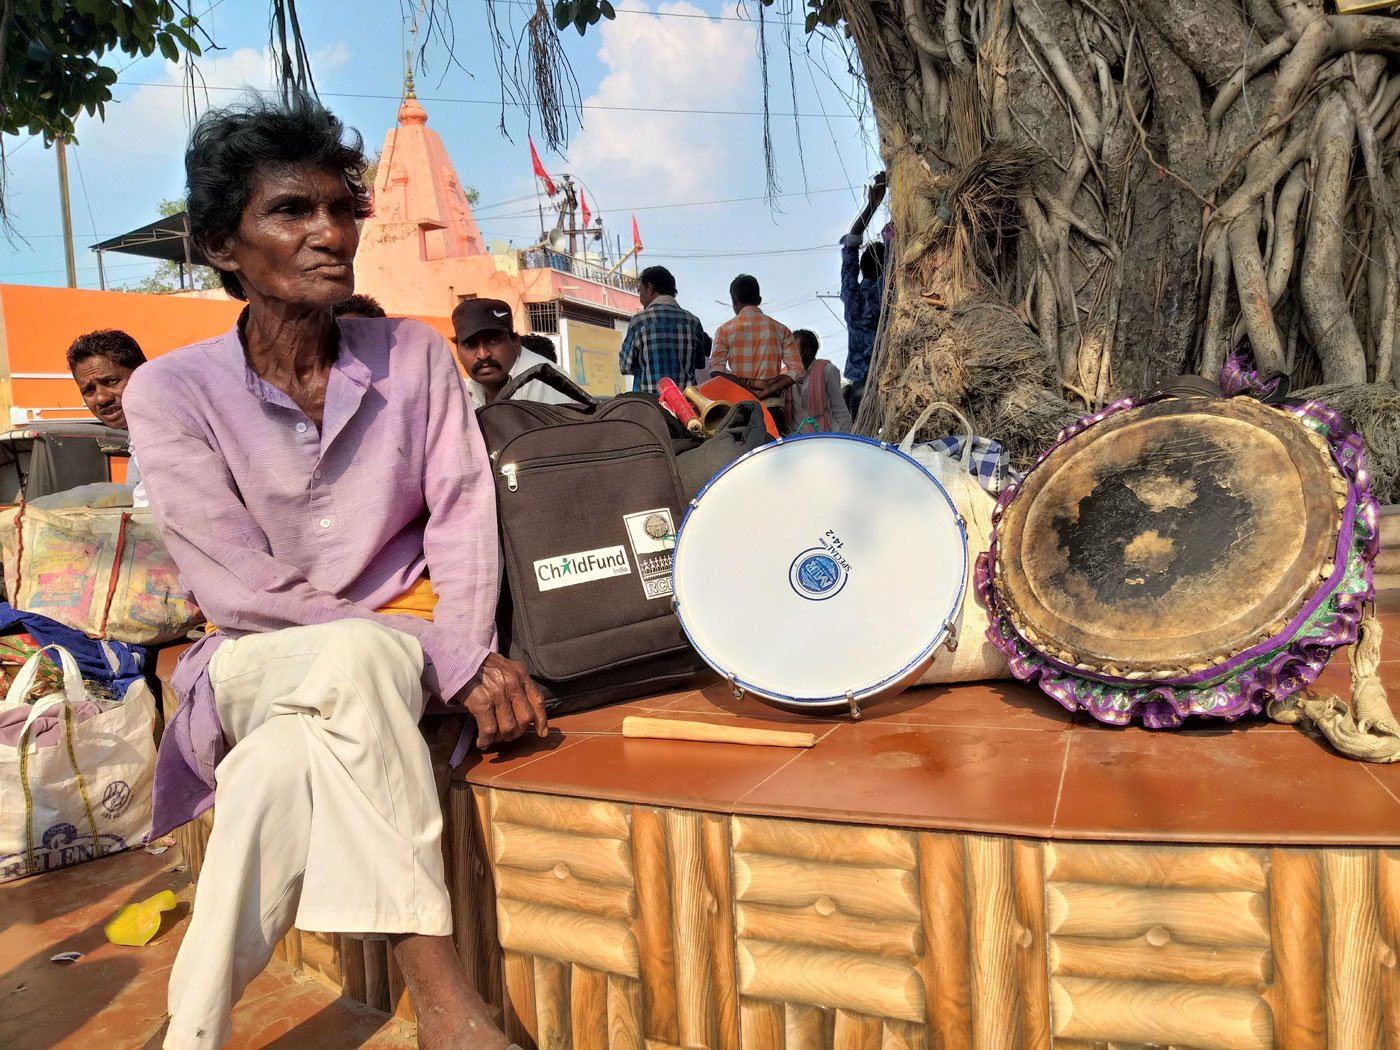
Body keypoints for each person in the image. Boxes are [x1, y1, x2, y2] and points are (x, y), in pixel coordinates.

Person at [122, 94, 543, 1050]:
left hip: (393, 662)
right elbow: (238, 590)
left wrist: (463, 648)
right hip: (255, 659)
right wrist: (449, 655)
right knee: (349, 660)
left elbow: (466, 515)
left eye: (341, 209)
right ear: (224, 248)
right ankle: (447, 1005)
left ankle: (189, 1032)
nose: (329, 233)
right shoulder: (170, 391)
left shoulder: (412, 356)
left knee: (278, 770)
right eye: (291, 212)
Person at [709, 275, 804, 430]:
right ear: (759, 299)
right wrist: (768, 388)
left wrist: (747, 384)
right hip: (772, 410)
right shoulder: (781, 329)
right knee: (774, 452)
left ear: (734, 301)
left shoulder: (724, 331)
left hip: (740, 408)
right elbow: (798, 371)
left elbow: (716, 373)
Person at [67, 328, 149, 507]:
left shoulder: (170, 435)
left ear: (143, 373)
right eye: (89, 390)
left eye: (111, 381)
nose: (101, 398)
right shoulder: (137, 440)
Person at [455, 298, 575, 409]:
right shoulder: (466, 391)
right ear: (458, 352)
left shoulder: (541, 379)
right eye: (470, 344)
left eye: (494, 340)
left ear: (515, 342)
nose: (483, 354)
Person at [618, 265, 711, 393]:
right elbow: (700, 363)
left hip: (651, 406)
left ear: (650, 288)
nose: (640, 298)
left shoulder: (639, 321)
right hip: (686, 406)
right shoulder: (693, 322)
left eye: (640, 291)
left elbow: (625, 366)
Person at [840, 173, 887, 418]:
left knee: (863, 442)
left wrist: (872, 205)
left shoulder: (851, 295)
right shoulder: (886, 292)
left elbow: (850, 246)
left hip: (860, 386)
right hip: (889, 380)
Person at [786, 329, 852, 434]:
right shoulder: (784, 376)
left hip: (824, 438)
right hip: (795, 440)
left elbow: (840, 411)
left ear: (807, 351)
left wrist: (842, 440)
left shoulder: (827, 370)